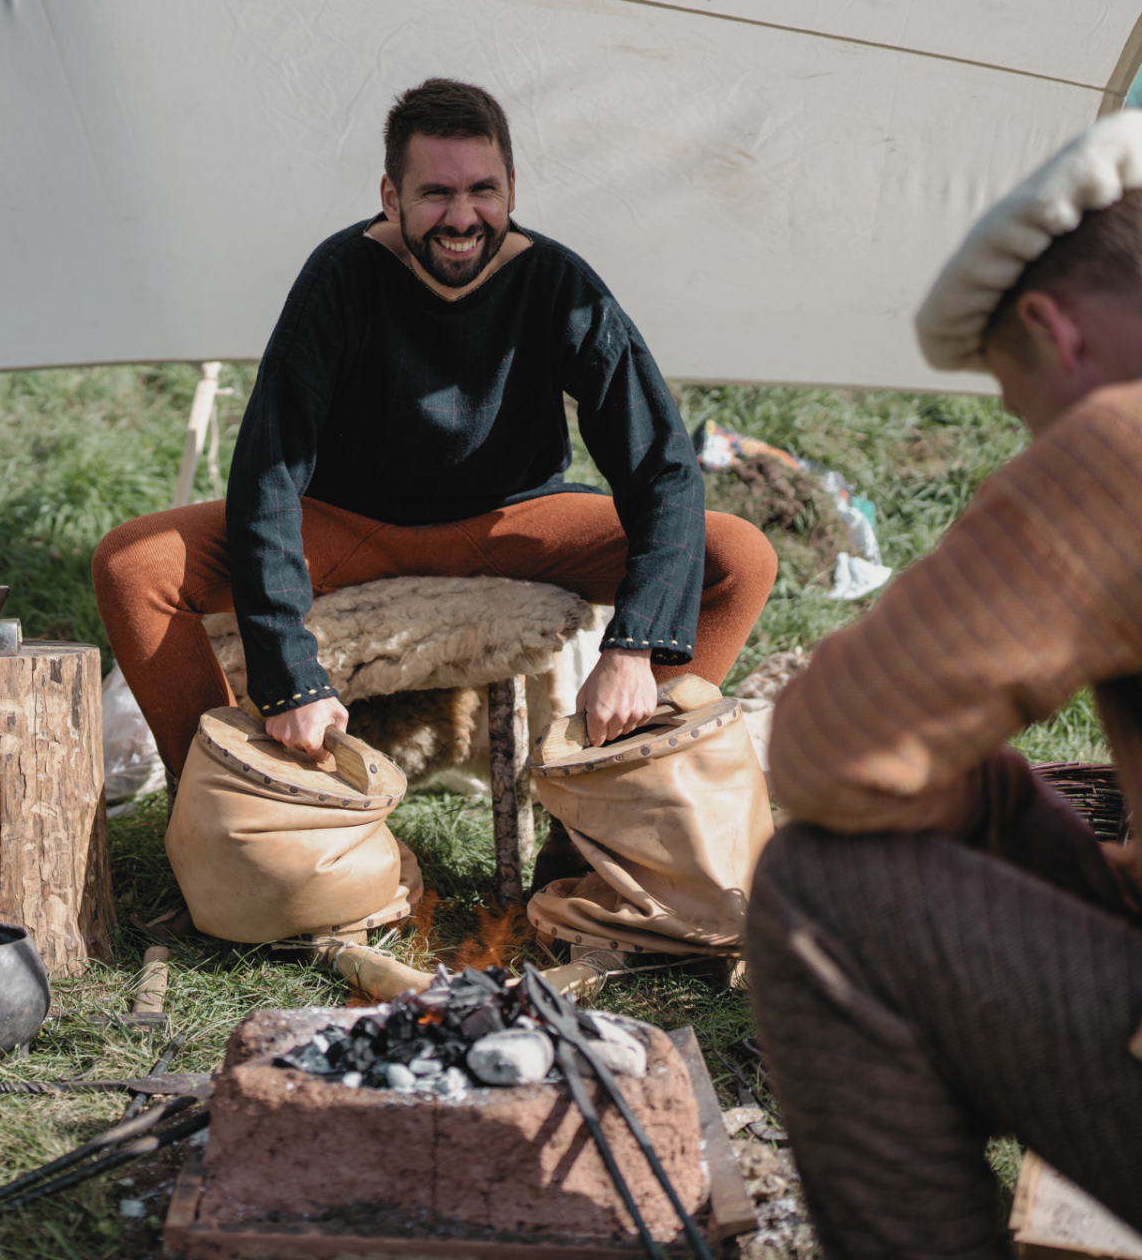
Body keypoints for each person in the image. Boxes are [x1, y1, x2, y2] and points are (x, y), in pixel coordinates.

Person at [93, 76, 776, 778]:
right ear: (391, 197)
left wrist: (633, 649)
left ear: (512, 186)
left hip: (512, 522)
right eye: (435, 194)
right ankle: (224, 788)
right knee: (133, 566)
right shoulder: (341, 277)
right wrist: (288, 676)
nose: (462, 217)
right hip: (350, 524)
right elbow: (270, 472)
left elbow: (661, 467)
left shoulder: (560, 286)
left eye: (483, 190)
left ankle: (623, 797)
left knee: (738, 558)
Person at [748, 111, 1142, 1257]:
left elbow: (829, 752)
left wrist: (970, 810)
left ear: (1052, 330)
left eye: (1027, 418)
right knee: (1008, 802)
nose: (1036, 445)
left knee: (822, 889)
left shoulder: (1121, 440)